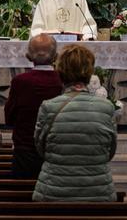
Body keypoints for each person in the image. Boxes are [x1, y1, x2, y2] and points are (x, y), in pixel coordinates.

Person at [33, 44, 117, 202]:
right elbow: (110, 150)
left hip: (53, 190)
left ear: (60, 71)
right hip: (97, 191)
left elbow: (40, 147)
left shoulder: (49, 107)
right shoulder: (106, 107)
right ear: (90, 71)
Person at [5, 34, 64, 178]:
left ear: (28, 56)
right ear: (55, 56)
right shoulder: (62, 80)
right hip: (55, 149)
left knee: (21, 196)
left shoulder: (20, 81)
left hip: (25, 150)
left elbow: (10, 116)